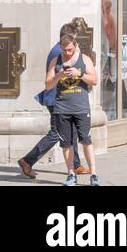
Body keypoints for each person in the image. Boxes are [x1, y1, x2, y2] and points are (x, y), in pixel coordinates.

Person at [17, 25, 86, 180]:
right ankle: (27, 160)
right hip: (57, 99)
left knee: (72, 130)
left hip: (61, 99)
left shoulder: (61, 50)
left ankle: (75, 164)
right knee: (57, 132)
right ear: (69, 36)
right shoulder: (60, 52)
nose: (74, 43)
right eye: (74, 38)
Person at [47, 29, 99, 186]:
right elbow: (48, 85)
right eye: (64, 50)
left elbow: (95, 80)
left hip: (81, 108)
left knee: (86, 140)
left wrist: (79, 74)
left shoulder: (84, 59)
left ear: (75, 46)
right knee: (67, 143)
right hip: (62, 108)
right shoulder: (56, 61)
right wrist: (58, 75)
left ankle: (94, 174)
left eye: (70, 49)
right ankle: (71, 174)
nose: (67, 53)